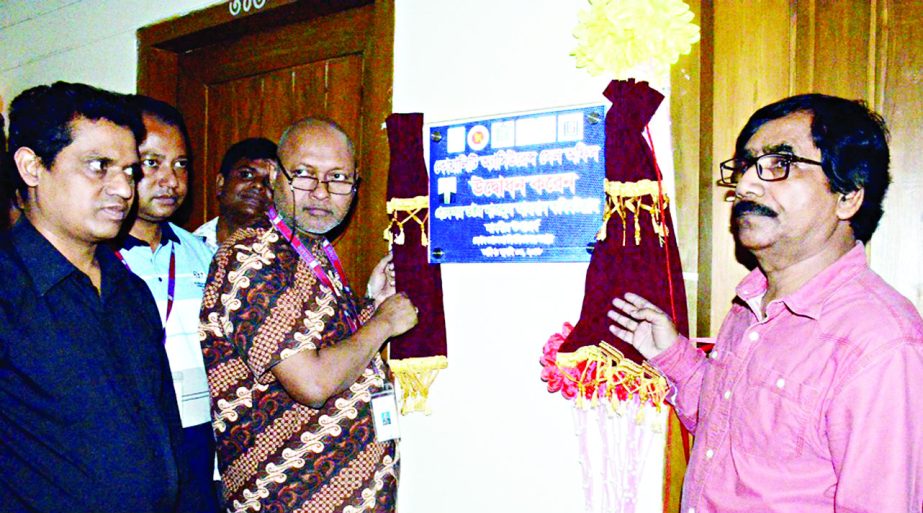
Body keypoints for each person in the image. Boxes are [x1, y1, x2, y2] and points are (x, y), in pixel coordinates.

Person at [608, 94, 923, 512]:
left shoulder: (879, 343)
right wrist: (672, 355)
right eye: (744, 166)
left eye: (780, 164)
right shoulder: (749, 306)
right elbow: (730, 432)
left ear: (847, 196)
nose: (744, 186)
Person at [199, 118, 418, 512]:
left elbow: (324, 345)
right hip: (287, 500)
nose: (320, 192)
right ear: (274, 175)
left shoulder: (308, 249)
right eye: (304, 175)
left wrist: (370, 304)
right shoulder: (252, 258)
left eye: (337, 178)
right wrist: (384, 323)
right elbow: (313, 382)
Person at [0, 82, 192, 512]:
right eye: (99, 166)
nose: (123, 189)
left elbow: (165, 428)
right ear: (32, 167)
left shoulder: (130, 291)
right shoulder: (8, 290)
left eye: (129, 170)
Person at [115, 95, 219, 512]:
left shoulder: (205, 255)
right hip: (134, 443)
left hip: (202, 437)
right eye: (152, 163)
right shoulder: (97, 259)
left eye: (180, 164)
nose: (170, 180)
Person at [193, 137, 276, 252]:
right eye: (246, 174)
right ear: (220, 183)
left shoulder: (287, 257)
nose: (258, 185)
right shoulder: (186, 250)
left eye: (270, 182)